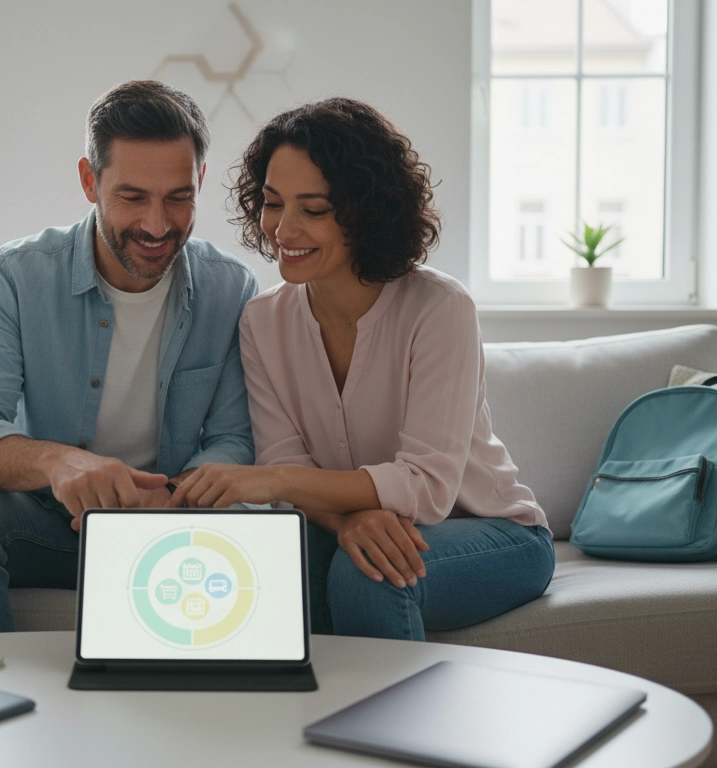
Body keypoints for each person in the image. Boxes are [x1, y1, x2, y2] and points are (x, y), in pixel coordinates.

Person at [170, 98, 554, 641]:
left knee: (368, 574)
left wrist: (271, 479)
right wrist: (347, 517)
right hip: (349, 525)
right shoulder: (261, 320)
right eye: (274, 203)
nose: (284, 228)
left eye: (315, 209)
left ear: (367, 211)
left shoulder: (440, 309)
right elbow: (287, 458)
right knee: (262, 562)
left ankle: (391, 728)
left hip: (488, 530)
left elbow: (426, 488)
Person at [0, 80, 259, 635]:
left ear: (198, 183)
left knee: (269, 519)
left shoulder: (232, 289)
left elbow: (235, 440)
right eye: (131, 197)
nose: (156, 224)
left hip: (174, 524)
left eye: (178, 196)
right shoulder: (15, 277)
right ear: (89, 181)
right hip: (50, 525)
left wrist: (175, 497)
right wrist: (59, 464)